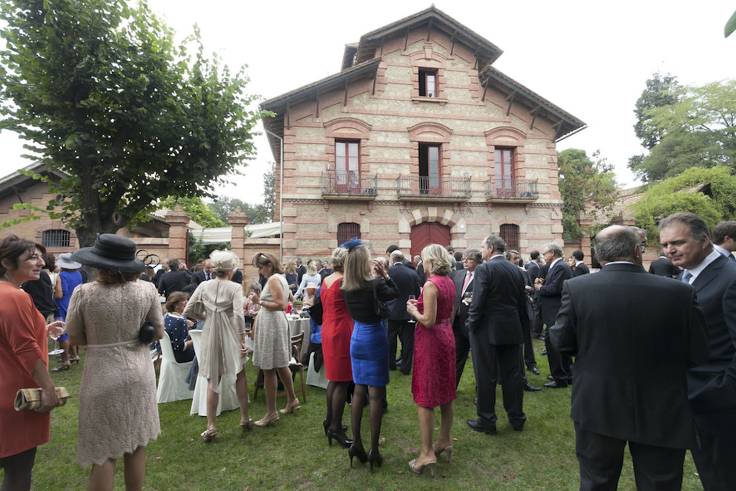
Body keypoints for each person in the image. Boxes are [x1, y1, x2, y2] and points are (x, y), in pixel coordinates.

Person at [551, 225, 709, 490]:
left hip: (598, 400)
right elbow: (699, 352)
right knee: (661, 482)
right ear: (637, 251)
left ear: (599, 257)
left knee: (596, 481)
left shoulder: (578, 288)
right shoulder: (679, 292)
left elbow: (560, 341)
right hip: (663, 402)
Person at [65, 234, 164, 490]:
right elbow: (158, 331)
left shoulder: (84, 293)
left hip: (102, 372)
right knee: (136, 443)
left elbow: (74, 337)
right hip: (140, 370)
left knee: (104, 449)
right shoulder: (147, 290)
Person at [659, 212, 736, 490]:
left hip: (719, 404)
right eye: (665, 245)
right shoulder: (688, 273)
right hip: (695, 396)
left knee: (723, 476)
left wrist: (718, 391)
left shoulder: (729, 278)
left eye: (677, 242)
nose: (670, 250)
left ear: (704, 240)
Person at [0, 235, 65, 491]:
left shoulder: (9, 293)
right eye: (31, 257)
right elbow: (25, 349)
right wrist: (49, 389)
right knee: (18, 473)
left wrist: (42, 329)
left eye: (39, 256)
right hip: (15, 398)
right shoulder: (14, 297)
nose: (40, 262)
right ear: (7, 262)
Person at [182, 250, 252, 441]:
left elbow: (188, 309)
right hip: (229, 333)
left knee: (213, 378)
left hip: (210, 332)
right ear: (231, 269)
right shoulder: (235, 287)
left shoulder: (204, 285)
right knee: (240, 374)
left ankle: (211, 425)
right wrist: (242, 340)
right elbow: (238, 315)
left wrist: (206, 317)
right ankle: (245, 418)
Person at [341, 240, 398, 470]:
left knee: (358, 391)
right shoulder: (374, 285)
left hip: (357, 337)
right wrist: (385, 275)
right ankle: (374, 449)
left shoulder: (345, 286)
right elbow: (394, 293)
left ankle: (356, 444)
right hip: (374, 337)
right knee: (375, 395)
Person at [466, 235, 529, 434]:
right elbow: (521, 303)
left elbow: (478, 301)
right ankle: (516, 417)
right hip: (511, 327)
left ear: (491, 248)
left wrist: (471, 324)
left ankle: (487, 420)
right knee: (513, 375)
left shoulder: (484, 268)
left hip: (486, 329)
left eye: (483, 247)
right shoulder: (516, 269)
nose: (481, 251)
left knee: (486, 376)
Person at [406, 244, 456, 476]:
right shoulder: (449, 282)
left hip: (431, 341)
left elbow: (427, 320)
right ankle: (444, 439)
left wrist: (413, 311)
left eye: (424, 259)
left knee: (426, 395)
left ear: (430, 261)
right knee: (446, 390)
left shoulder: (430, 284)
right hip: (447, 337)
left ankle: (426, 453)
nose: (422, 263)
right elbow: (448, 313)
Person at [250, 252, 300, 427]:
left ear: (269, 266)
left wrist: (259, 301)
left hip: (272, 323)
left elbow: (280, 304)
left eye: (261, 267)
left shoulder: (273, 280)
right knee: (280, 364)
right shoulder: (281, 278)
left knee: (269, 367)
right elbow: (291, 300)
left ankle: (271, 412)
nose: (260, 271)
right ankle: (292, 399)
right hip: (274, 322)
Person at [320, 247, 354, 448]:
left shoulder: (327, 279)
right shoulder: (343, 281)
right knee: (342, 381)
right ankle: (335, 427)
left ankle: (330, 420)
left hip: (329, 328)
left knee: (334, 380)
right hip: (341, 331)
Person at [535, 242, 573, 388]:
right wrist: (543, 282)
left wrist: (540, 287)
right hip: (553, 311)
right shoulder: (557, 266)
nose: (543, 256)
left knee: (554, 345)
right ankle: (566, 374)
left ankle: (560, 377)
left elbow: (555, 289)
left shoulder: (560, 266)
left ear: (552, 253)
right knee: (558, 344)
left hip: (555, 311)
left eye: (545, 253)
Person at [386, 250, 421, 374]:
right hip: (408, 311)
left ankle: (391, 364)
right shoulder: (412, 273)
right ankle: (406, 367)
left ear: (392, 259)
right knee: (408, 340)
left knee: (390, 339)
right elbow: (417, 293)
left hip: (391, 311)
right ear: (402, 259)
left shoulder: (388, 272)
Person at [451, 248, 480, 388]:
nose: (465, 261)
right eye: (464, 258)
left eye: (469, 259)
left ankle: (480, 391)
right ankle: (451, 387)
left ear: (477, 261)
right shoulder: (457, 274)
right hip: (457, 322)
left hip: (474, 323)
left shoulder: (482, 275)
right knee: (457, 356)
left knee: (478, 360)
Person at [53, 252, 84, 370]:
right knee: (71, 331)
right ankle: (74, 355)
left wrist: (53, 293)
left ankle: (65, 360)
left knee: (62, 334)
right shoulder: (79, 274)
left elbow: (60, 294)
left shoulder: (62, 276)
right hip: (74, 304)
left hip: (62, 306)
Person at [21, 246, 56, 323]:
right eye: (34, 258)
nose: (42, 263)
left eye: (41, 257)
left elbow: (44, 304)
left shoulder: (40, 275)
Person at [163, 292, 195, 363]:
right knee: (203, 350)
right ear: (176, 305)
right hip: (180, 356)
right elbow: (181, 347)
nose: (187, 302)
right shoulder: (180, 321)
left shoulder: (166, 316)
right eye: (183, 301)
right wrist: (196, 340)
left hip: (168, 354)